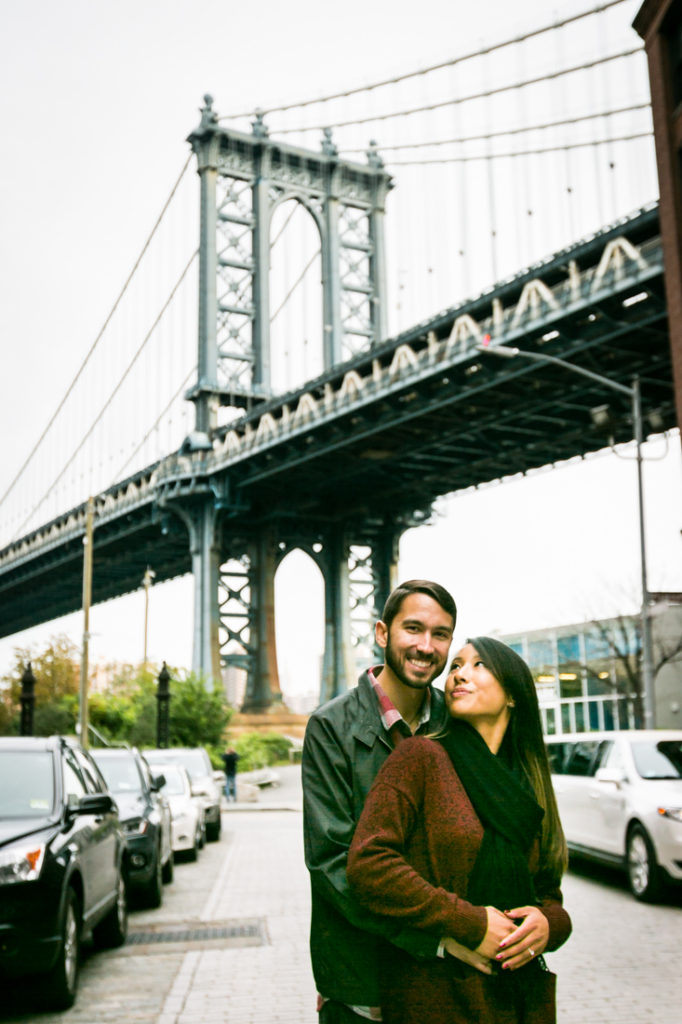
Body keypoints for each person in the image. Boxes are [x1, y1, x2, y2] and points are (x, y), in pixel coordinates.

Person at [346, 637, 572, 1024]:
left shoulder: (526, 781)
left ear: (513, 695)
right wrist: (469, 923)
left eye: (479, 665)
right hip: (437, 996)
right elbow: (368, 864)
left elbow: (548, 892)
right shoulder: (420, 757)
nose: (458, 675)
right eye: (455, 666)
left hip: (518, 998)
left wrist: (548, 925)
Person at [302, 579, 466, 1024]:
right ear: (381, 633)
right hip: (364, 983)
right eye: (412, 628)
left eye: (440, 634)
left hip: (446, 984)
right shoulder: (330, 728)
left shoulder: (458, 724)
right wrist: (432, 938)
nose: (425, 646)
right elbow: (331, 864)